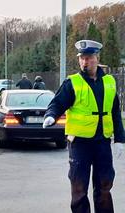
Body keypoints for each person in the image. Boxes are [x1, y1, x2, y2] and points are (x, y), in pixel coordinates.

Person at [43, 40, 124, 213]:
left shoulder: (109, 82)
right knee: (79, 189)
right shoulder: (72, 82)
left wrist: (120, 139)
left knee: (104, 185)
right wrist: (51, 115)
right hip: (79, 144)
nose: (84, 62)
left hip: (102, 142)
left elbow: (115, 112)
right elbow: (57, 103)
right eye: (82, 58)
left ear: (97, 58)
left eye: (88, 58)